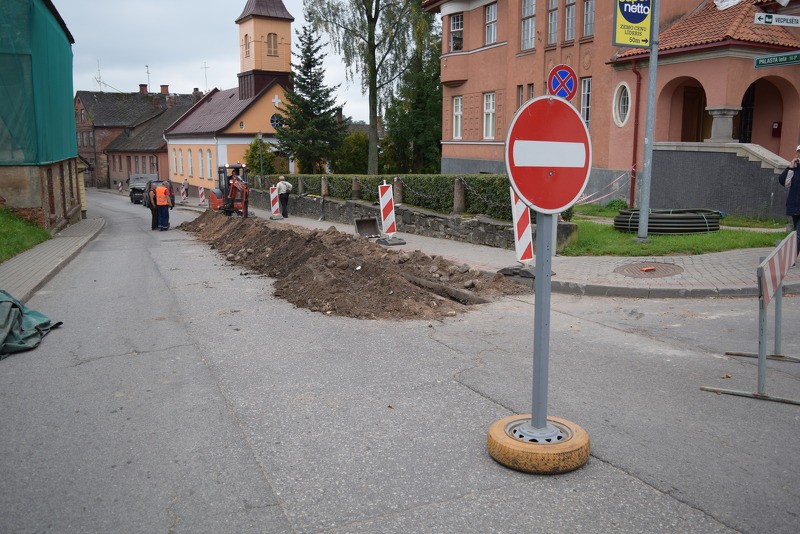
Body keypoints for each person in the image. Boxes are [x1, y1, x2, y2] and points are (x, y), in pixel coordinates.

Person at [779, 144, 800, 250]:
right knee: (797, 232)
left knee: (798, 234)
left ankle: (791, 258)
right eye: (799, 152)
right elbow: (784, 182)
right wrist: (790, 168)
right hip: (795, 206)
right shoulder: (794, 169)